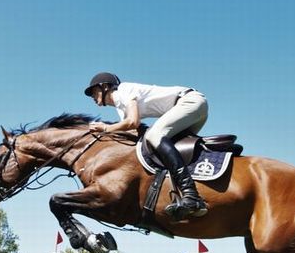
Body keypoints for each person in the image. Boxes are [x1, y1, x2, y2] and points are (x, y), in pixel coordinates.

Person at [83, 72, 209, 220]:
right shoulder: (120, 107)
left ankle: (191, 194)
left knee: (154, 135)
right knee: (159, 147)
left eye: (93, 91)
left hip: (190, 102)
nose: (92, 96)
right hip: (192, 107)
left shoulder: (123, 90)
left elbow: (133, 122)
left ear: (105, 87)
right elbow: (131, 131)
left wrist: (105, 128)